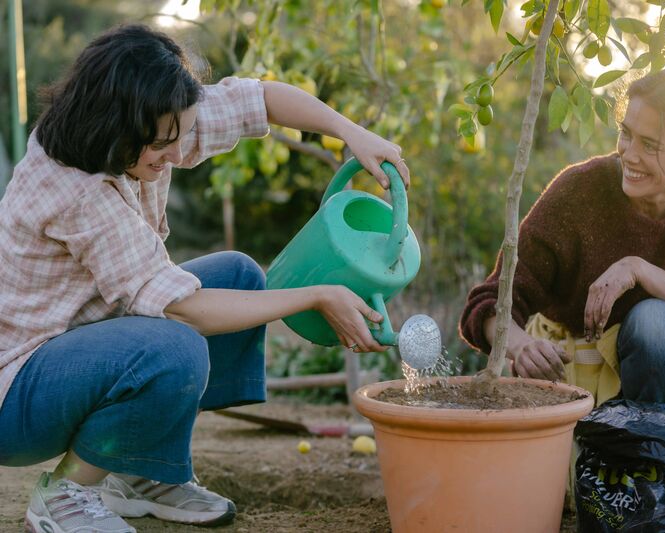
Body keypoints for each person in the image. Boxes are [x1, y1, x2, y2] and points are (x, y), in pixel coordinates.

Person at [0, 23, 409, 533]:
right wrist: (317, 294)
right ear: (114, 127)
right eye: (159, 146)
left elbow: (262, 99)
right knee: (175, 345)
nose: (176, 156)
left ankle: (138, 470)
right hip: (18, 395)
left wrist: (351, 132)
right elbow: (181, 310)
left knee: (238, 275)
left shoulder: (155, 122)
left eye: (181, 136)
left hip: (82, 346)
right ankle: (65, 493)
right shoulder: (77, 189)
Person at [460, 69, 665, 407]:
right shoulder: (580, 191)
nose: (629, 154)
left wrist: (639, 270)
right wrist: (521, 346)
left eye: (650, 145)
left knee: (656, 322)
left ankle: (656, 454)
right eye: (625, 133)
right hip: (572, 386)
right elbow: (487, 305)